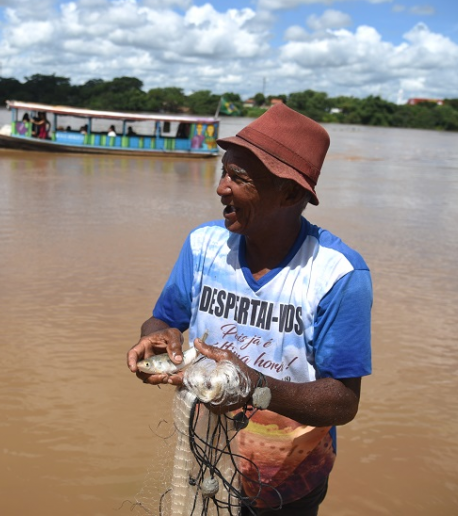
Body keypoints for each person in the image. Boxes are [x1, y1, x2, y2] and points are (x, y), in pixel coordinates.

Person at [126, 103, 372, 515]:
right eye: (224, 172)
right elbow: (166, 319)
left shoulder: (337, 274)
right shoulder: (204, 246)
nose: (222, 188)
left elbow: (343, 402)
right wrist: (156, 335)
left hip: (286, 480)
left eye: (238, 178)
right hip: (204, 456)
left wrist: (255, 386)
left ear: (290, 193)